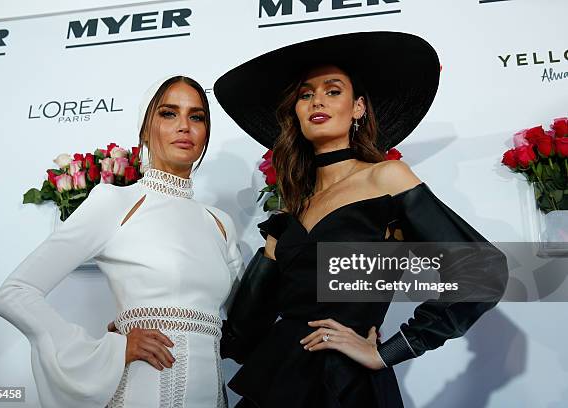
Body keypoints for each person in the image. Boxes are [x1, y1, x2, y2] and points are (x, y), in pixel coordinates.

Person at [214, 32, 508, 407]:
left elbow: (482, 272)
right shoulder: (290, 211)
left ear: (359, 108)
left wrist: (393, 350)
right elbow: (243, 332)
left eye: (333, 90)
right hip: (277, 381)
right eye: (305, 94)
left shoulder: (386, 179)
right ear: (296, 113)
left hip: (346, 386)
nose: (317, 99)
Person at [0, 75, 242, 408]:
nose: (184, 126)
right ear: (144, 128)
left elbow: (244, 324)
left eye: (196, 116)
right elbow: (14, 293)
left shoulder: (220, 223)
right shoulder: (115, 202)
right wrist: (110, 350)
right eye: (169, 114)